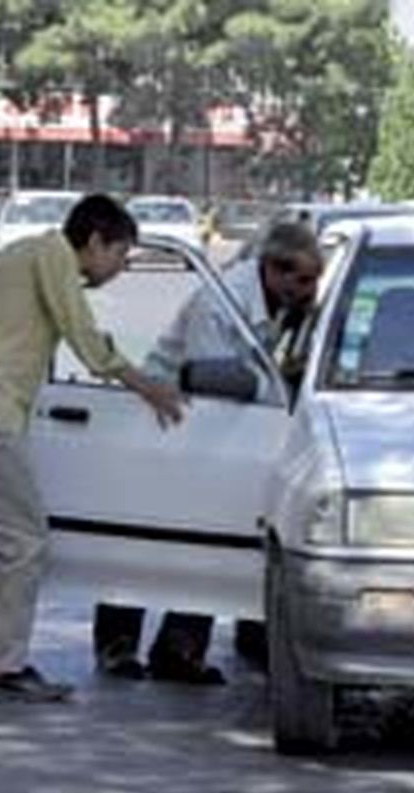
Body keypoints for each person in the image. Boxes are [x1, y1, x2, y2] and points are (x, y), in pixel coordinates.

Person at [0, 193, 186, 704]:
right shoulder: (52, 258)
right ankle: (4, 668)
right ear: (93, 241)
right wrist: (146, 386)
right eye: (120, 256)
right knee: (23, 542)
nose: (120, 269)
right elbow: (87, 341)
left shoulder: (27, 255)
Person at [94, 221, 323, 684]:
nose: (308, 290)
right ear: (272, 270)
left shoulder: (283, 303)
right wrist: (280, 388)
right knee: (146, 533)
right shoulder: (221, 303)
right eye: (301, 280)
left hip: (217, 431)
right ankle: (117, 647)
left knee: (207, 535)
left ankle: (180, 650)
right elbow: (214, 376)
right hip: (166, 418)